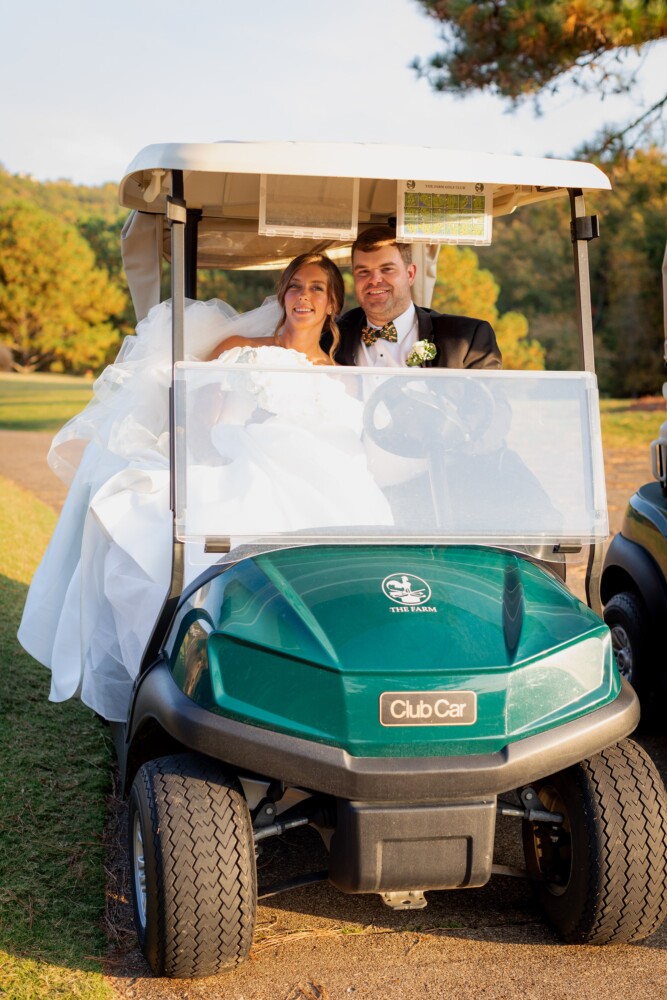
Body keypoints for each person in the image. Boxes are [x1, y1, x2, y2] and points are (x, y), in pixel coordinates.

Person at [17, 253, 392, 722]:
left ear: (333, 303)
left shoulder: (344, 377)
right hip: (236, 467)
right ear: (282, 295)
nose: (304, 297)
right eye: (295, 286)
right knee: (164, 544)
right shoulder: (239, 348)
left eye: (317, 288)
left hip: (323, 487)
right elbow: (196, 425)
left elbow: (345, 450)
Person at [334, 226, 502, 369]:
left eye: (387, 269)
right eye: (363, 272)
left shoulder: (466, 340)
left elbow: (490, 406)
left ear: (410, 274)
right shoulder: (333, 338)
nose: (374, 280)